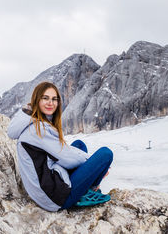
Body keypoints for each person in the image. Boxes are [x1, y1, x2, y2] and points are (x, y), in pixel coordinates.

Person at [7, 81, 113, 212]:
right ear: (37, 100)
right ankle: (91, 189)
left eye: (54, 99)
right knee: (105, 155)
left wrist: (90, 164)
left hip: (47, 189)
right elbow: (67, 159)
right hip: (55, 198)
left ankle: (85, 189)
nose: (50, 103)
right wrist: (98, 168)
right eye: (45, 98)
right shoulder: (37, 129)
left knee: (79, 144)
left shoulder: (32, 123)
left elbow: (62, 152)